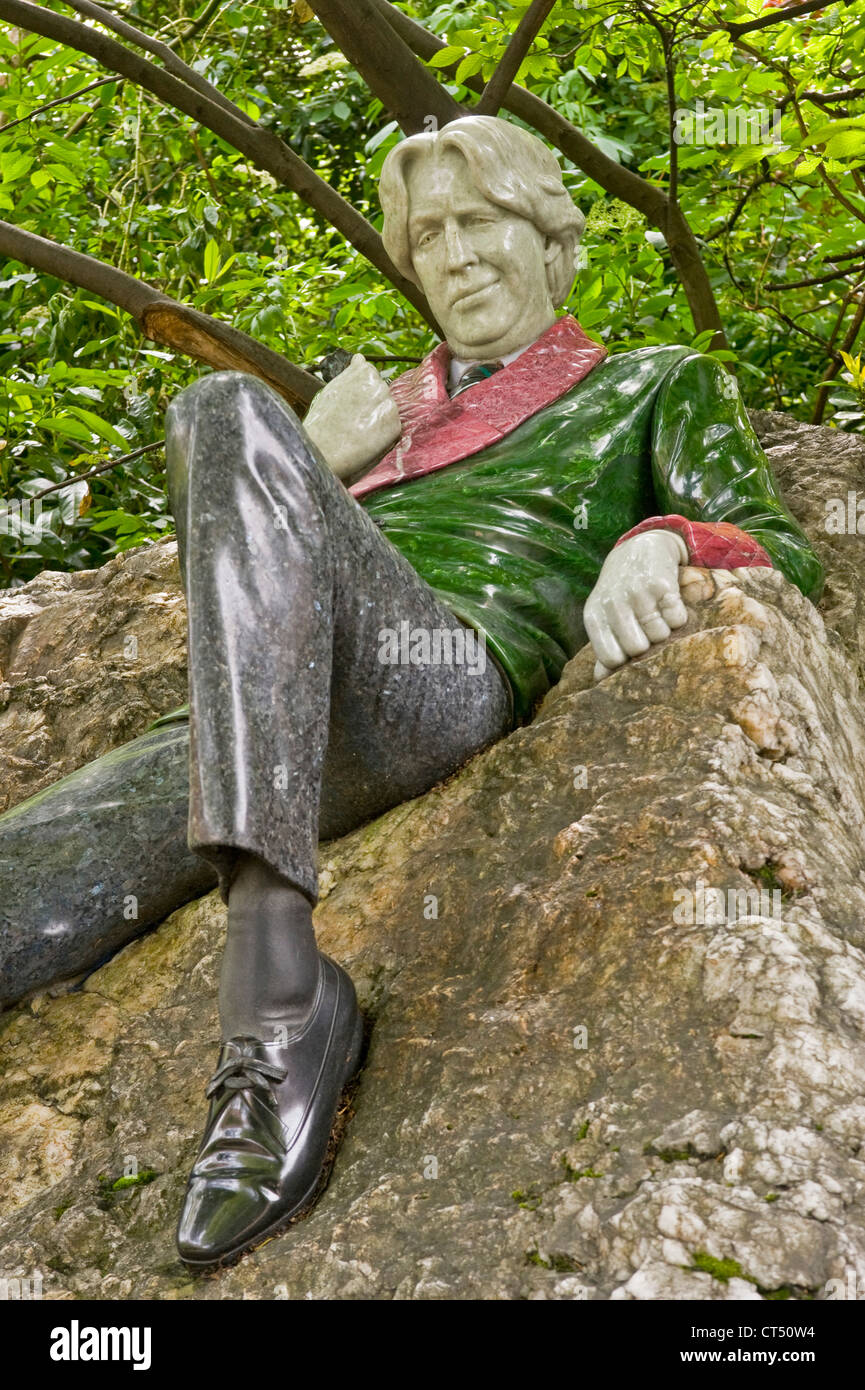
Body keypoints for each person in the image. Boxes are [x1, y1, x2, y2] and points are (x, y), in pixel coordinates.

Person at [0, 115, 822, 1269]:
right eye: (428, 233)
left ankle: (279, 999)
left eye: (480, 220)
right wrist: (317, 458)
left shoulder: (649, 383)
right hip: (255, 730)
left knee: (218, 407)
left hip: (439, 675)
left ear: (553, 241)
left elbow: (789, 545)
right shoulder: (374, 417)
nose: (455, 252)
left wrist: (666, 537)